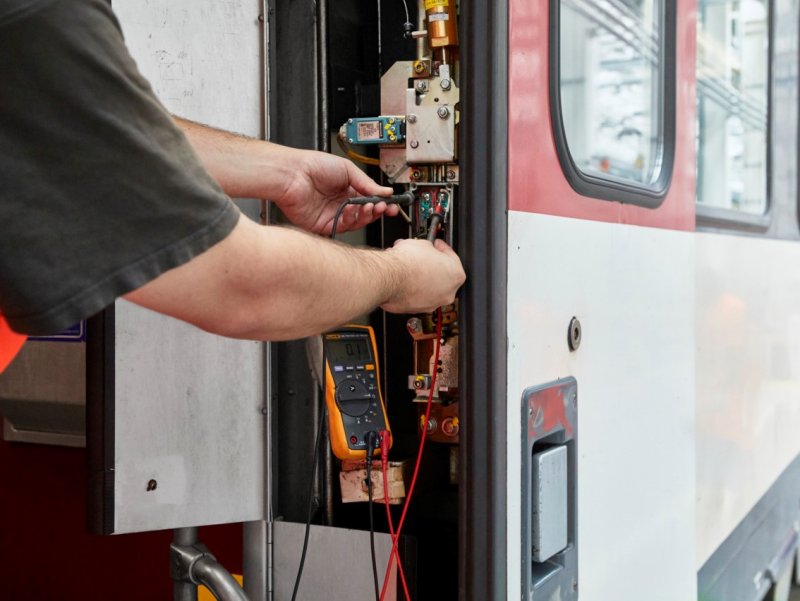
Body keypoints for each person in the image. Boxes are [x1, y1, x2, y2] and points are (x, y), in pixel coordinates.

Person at [0, 0, 466, 356]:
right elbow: (247, 285)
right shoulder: (37, 17)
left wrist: (286, 174)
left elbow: (96, 134)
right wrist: (401, 277)